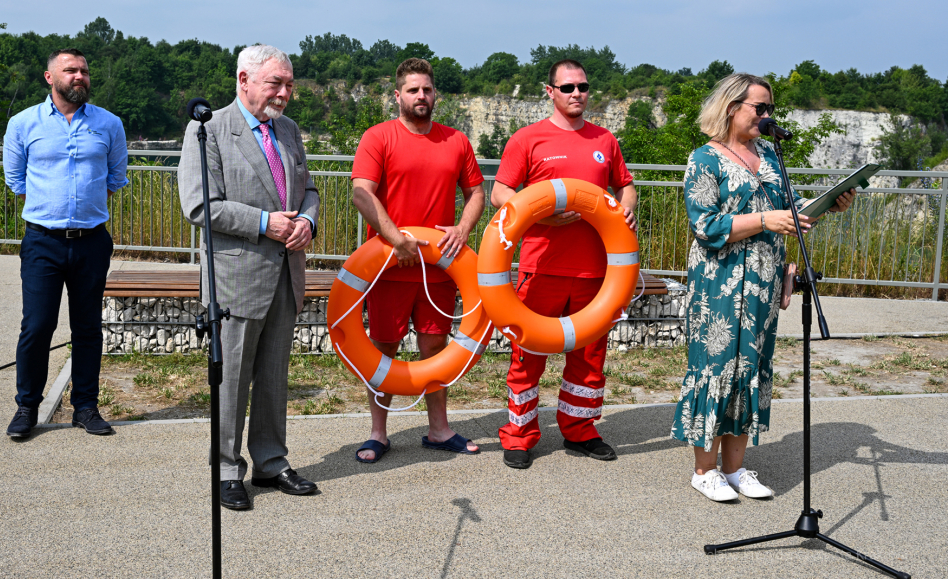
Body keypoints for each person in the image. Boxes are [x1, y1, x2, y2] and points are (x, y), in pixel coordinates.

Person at [672, 72, 856, 502]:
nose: (767, 116)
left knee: (750, 369)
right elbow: (705, 226)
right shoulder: (705, 158)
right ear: (732, 107)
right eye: (760, 108)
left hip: (764, 282)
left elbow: (786, 218)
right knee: (716, 367)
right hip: (719, 282)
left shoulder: (771, 158)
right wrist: (763, 221)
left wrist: (831, 206)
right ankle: (705, 470)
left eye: (771, 109)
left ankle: (735, 470)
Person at [178, 45, 320, 509]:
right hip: (237, 277)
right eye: (275, 83)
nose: (284, 94)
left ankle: (271, 463)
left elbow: (309, 189)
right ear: (243, 80)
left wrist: (307, 223)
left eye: (289, 85)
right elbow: (201, 205)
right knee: (232, 380)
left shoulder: (290, 130)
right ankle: (225, 469)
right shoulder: (208, 129)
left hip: (285, 275)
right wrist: (266, 223)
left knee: (274, 377)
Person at [489, 59, 637, 470]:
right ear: (550, 91)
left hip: (596, 272)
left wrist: (626, 212)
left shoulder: (604, 140)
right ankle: (519, 436)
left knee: (590, 357)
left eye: (583, 87)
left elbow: (626, 186)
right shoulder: (528, 139)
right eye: (567, 87)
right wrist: (538, 213)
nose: (576, 94)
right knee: (528, 354)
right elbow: (502, 192)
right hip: (543, 267)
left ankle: (581, 430)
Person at [350, 58, 486, 463]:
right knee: (383, 349)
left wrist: (462, 230)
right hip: (389, 268)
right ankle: (378, 433)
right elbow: (362, 192)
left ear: (435, 94)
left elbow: (476, 192)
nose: (421, 97)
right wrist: (396, 239)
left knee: (435, 346)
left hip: (440, 267)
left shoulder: (456, 141)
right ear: (398, 96)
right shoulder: (378, 137)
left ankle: (439, 430)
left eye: (426, 89)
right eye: (413, 90)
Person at [3, 48, 129, 440]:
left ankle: (86, 407)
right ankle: (27, 407)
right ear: (49, 77)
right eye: (70, 70)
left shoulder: (109, 125)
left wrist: (81, 217)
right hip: (42, 241)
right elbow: (16, 180)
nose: (79, 77)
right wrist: (53, 215)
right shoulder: (24, 124)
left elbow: (115, 178)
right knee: (37, 326)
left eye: (85, 71)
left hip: (91, 241)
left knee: (88, 327)